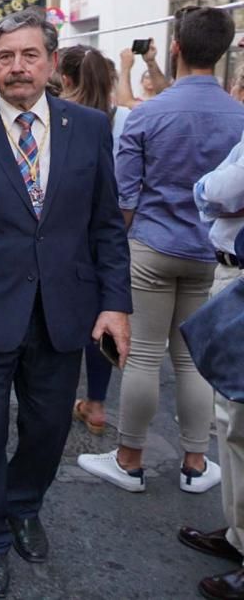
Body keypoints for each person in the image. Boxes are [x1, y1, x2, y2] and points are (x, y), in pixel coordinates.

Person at [0, 10, 131, 597]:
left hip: (64, 310)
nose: (17, 67)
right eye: (5, 57)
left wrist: (116, 304)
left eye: (29, 55)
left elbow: (106, 225)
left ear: (51, 63)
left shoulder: (89, 128)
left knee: (44, 430)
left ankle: (23, 504)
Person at [79, 6, 244, 494]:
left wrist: (116, 247)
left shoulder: (148, 113)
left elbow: (125, 196)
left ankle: (130, 459)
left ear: (175, 47)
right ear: (224, 51)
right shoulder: (239, 115)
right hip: (210, 249)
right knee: (190, 360)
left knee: (144, 355)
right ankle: (195, 463)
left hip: (151, 244)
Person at [58, 46, 131, 435]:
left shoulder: (60, 117)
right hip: (114, 227)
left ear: (64, 77)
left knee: (65, 317)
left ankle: (60, 397)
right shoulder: (124, 118)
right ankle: (98, 403)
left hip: (69, 231)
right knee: (104, 315)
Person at [186, 127, 244, 600]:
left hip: (237, 276)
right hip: (227, 268)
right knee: (231, 421)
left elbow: (220, 189)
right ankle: (238, 536)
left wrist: (209, 187)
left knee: (239, 421)